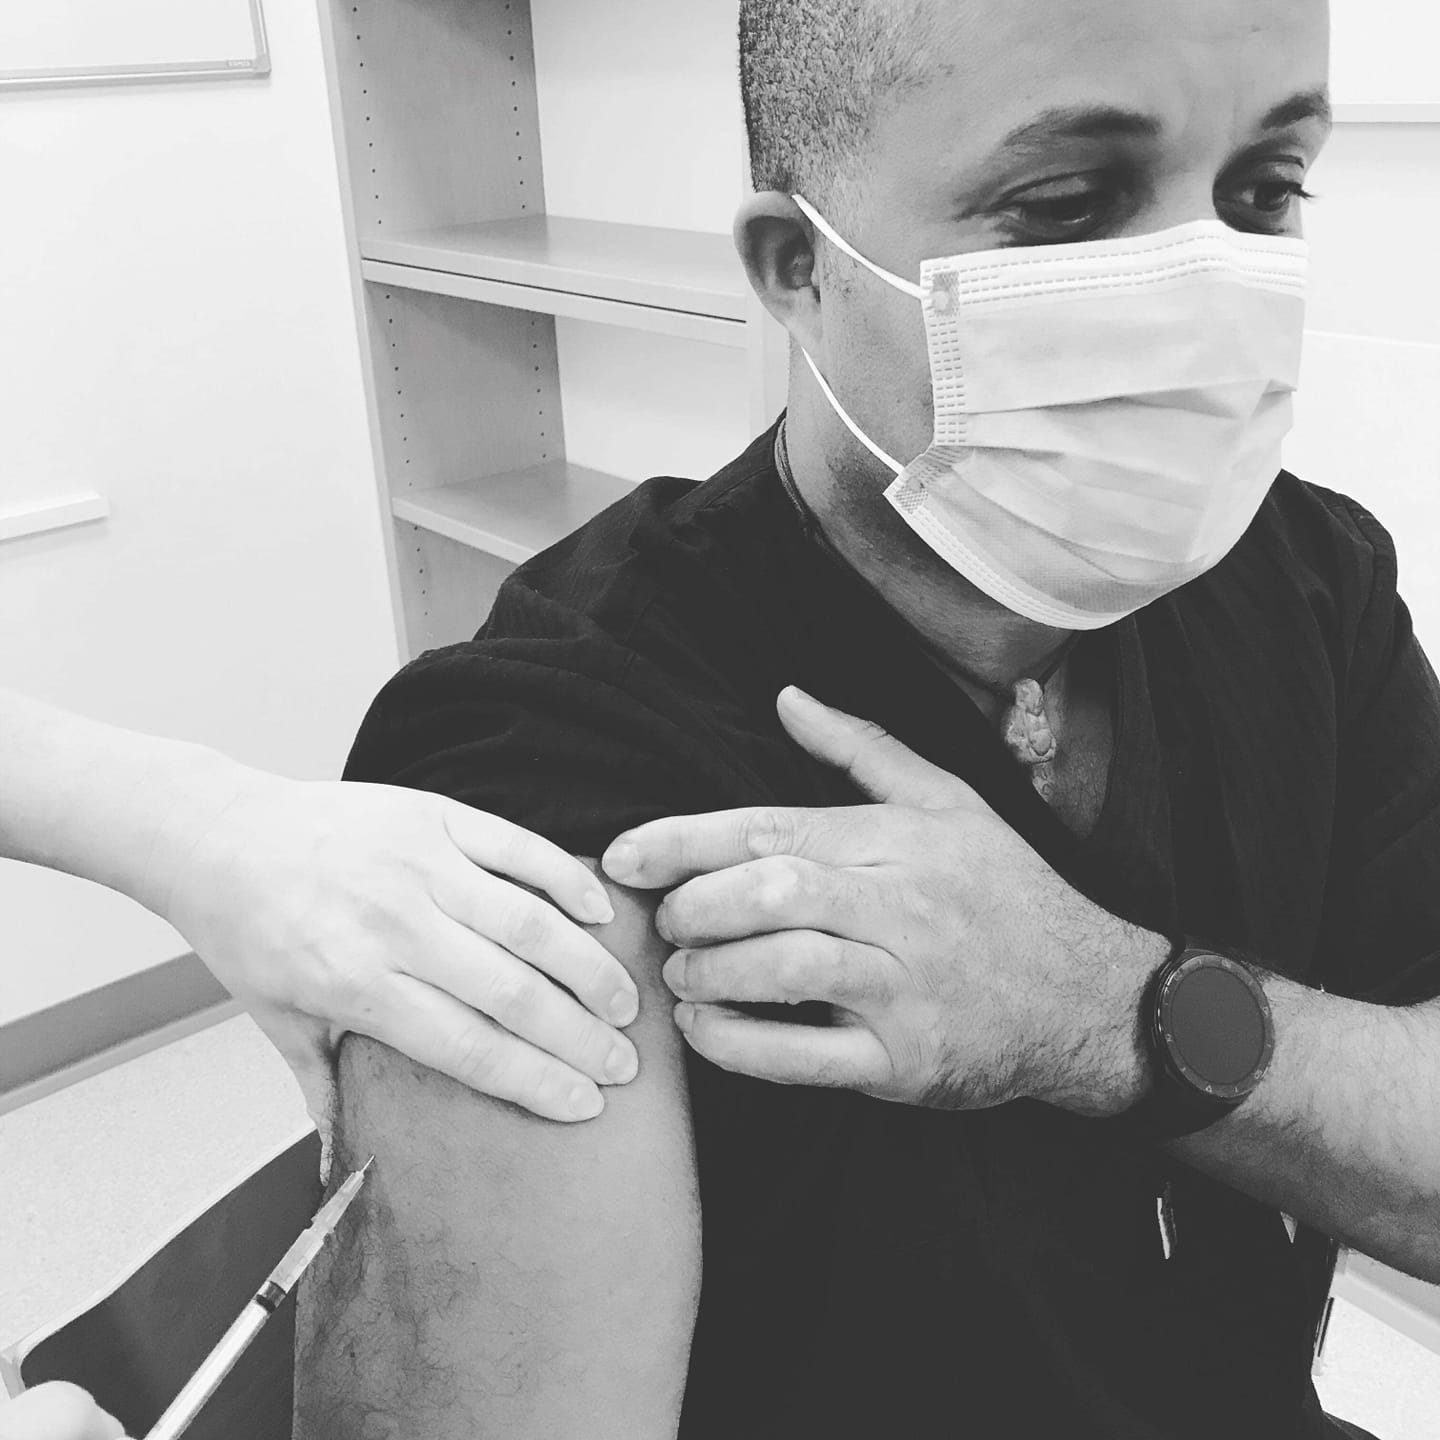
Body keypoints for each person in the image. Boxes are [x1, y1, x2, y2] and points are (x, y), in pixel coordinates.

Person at [294, 1, 1435, 1437]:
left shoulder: (1310, 582)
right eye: (1066, 205)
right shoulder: (553, 766)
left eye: (1263, 190)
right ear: (799, 266)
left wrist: (1101, 1011)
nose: (1199, 293)